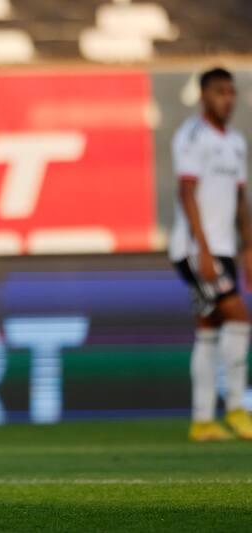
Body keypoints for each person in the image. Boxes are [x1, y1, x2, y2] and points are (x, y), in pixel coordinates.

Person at [170, 67, 252, 441]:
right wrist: (202, 250)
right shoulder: (192, 136)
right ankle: (236, 408)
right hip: (195, 249)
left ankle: (203, 421)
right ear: (203, 96)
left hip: (224, 247)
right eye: (220, 92)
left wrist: (247, 247)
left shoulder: (235, 142)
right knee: (238, 315)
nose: (228, 99)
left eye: (231, 92)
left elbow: (239, 198)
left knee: (208, 329)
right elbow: (185, 193)